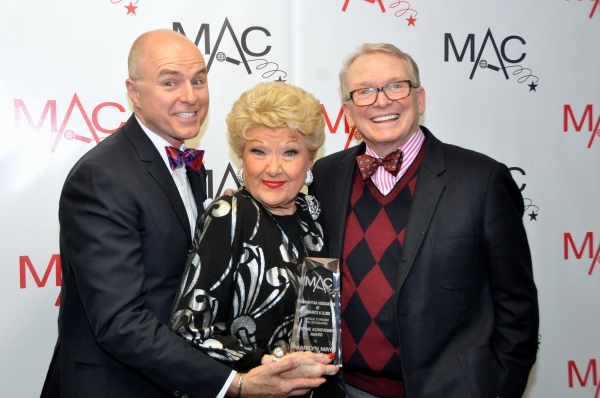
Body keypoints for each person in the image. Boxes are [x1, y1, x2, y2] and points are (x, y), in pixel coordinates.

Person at [41, 29, 334, 398]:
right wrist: (235, 384)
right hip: (118, 385)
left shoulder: (186, 167)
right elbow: (120, 322)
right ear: (134, 92)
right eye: (170, 82)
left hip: (176, 381)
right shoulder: (103, 176)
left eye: (198, 80)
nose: (190, 96)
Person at [310, 43, 539, 398]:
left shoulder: (481, 180)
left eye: (395, 86)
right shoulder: (323, 176)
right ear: (349, 112)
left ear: (420, 98)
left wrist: (498, 388)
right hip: (342, 389)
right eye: (364, 92)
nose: (382, 101)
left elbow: (517, 306)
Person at [169, 81, 338, 395]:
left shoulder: (311, 218)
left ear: (310, 159)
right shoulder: (231, 214)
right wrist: (274, 363)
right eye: (259, 151)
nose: (273, 168)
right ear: (242, 157)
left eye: (290, 152)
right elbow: (188, 327)